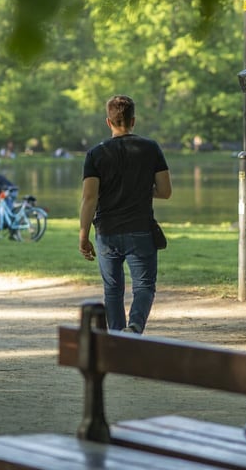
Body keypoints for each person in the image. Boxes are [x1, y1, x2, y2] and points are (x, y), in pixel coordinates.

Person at [79, 95, 172, 334]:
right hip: (140, 229)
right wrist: (139, 190)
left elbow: (89, 198)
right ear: (134, 120)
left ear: (108, 122)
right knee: (144, 286)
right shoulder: (150, 148)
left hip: (106, 231)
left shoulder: (95, 154)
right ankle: (135, 327)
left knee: (112, 289)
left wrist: (83, 235)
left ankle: (117, 338)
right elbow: (165, 191)